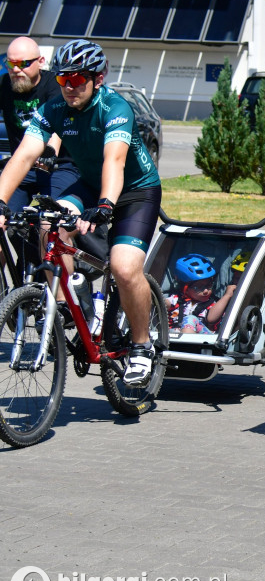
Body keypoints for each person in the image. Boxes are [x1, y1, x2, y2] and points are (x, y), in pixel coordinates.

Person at [0, 38, 161, 387]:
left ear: (97, 78)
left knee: (123, 265)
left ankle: (142, 344)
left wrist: (105, 205)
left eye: (78, 79)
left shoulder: (114, 107)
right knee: (48, 223)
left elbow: (114, 160)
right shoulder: (55, 109)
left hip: (136, 190)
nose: (70, 87)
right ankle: (72, 302)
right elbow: (24, 155)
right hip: (90, 182)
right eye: (62, 79)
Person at [0, 36, 85, 285]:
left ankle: (62, 303)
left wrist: (49, 153)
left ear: (41, 61)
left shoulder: (54, 85)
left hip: (60, 167)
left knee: (50, 226)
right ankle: (10, 296)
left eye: (24, 63)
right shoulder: (6, 84)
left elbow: (55, 130)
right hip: (24, 166)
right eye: (10, 63)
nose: (16, 70)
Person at [166, 254, 236, 334]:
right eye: (198, 287)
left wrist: (227, 295)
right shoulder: (176, 299)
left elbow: (211, 319)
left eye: (209, 285)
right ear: (185, 288)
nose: (206, 291)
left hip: (202, 340)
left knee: (190, 319)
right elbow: (161, 303)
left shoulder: (211, 304)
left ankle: (188, 344)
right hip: (174, 338)